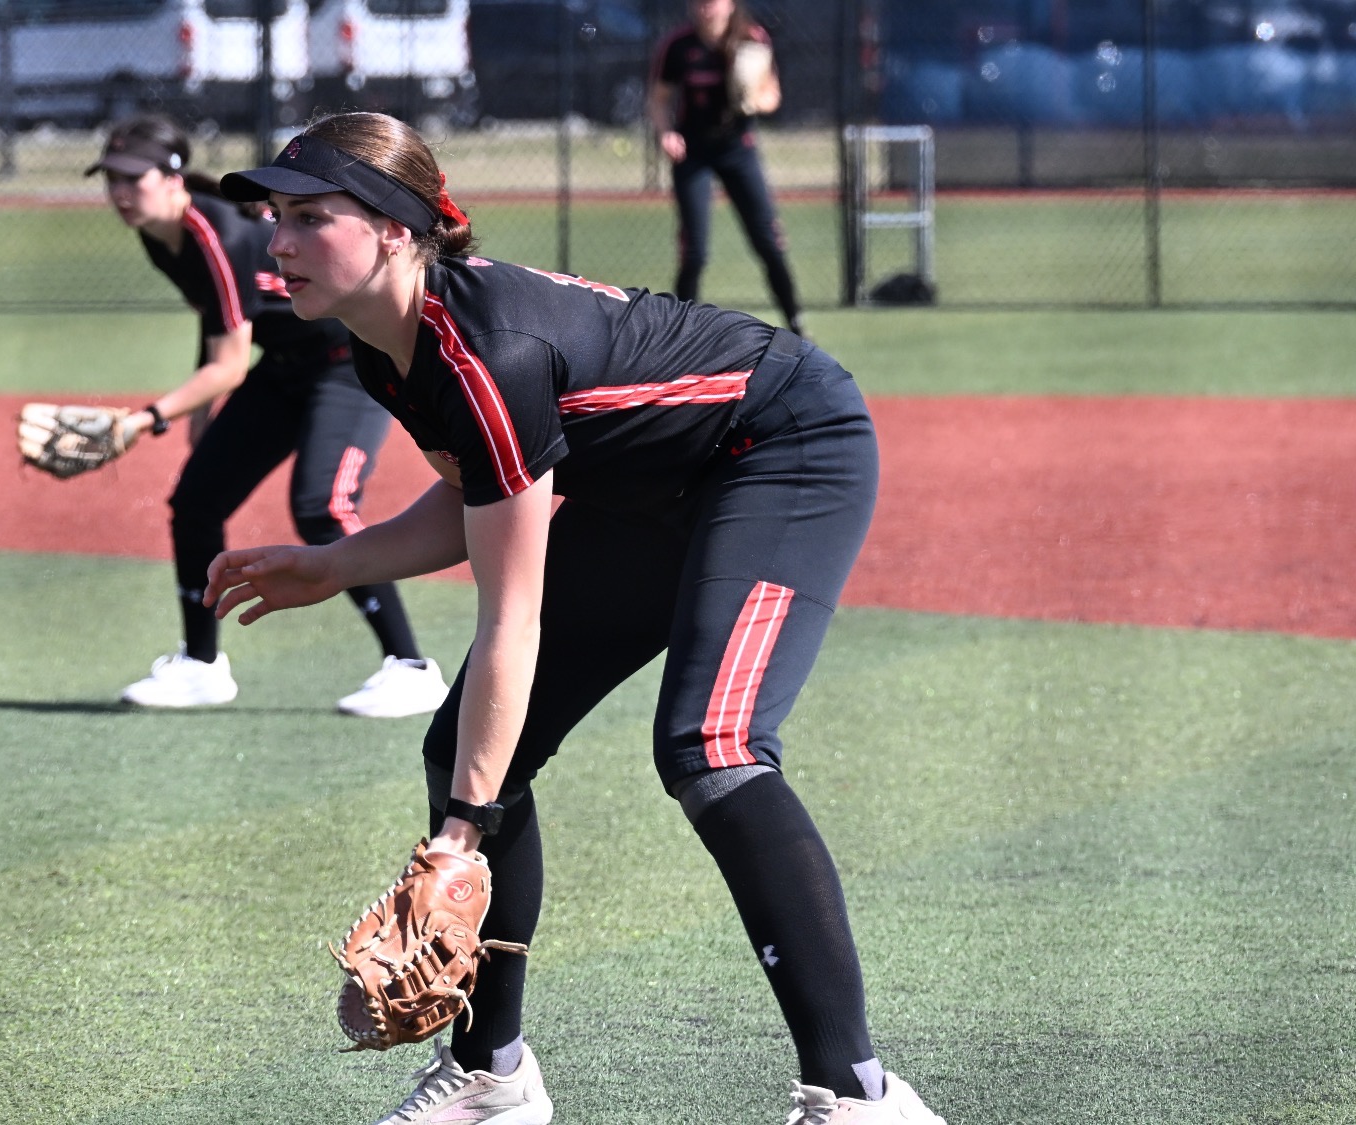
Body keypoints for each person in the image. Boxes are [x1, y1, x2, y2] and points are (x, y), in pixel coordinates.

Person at [202, 113, 947, 1125]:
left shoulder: (482, 349)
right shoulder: (387, 342)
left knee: (711, 747)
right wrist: (338, 563)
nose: (276, 241)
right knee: (469, 752)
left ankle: (858, 1095)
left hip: (780, 446)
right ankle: (490, 1076)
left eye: (308, 217)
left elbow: (511, 614)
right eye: (274, 217)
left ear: (391, 231)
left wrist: (457, 843)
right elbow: (480, 497)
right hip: (649, 486)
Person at [87, 114, 449, 718]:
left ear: (173, 178)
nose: (121, 193)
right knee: (197, 501)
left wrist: (140, 422)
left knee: (321, 506)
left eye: (133, 178)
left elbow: (228, 365)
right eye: (111, 179)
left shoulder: (214, 232)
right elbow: (221, 324)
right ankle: (201, 667)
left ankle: (410, 668)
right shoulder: (159, 232)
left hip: (347, 363)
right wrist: (203, 412)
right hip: (285, 366)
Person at [651, 0, 805, 338]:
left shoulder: (751, 39)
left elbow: (771, 94)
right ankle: (678, 336)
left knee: (768, 241)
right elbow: (660, 98)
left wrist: (755, 98)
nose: (706, 8)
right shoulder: (679, 46)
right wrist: (667, 134)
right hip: (694, 152)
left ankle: (796, 324)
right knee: (694, 252)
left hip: (737, 150)